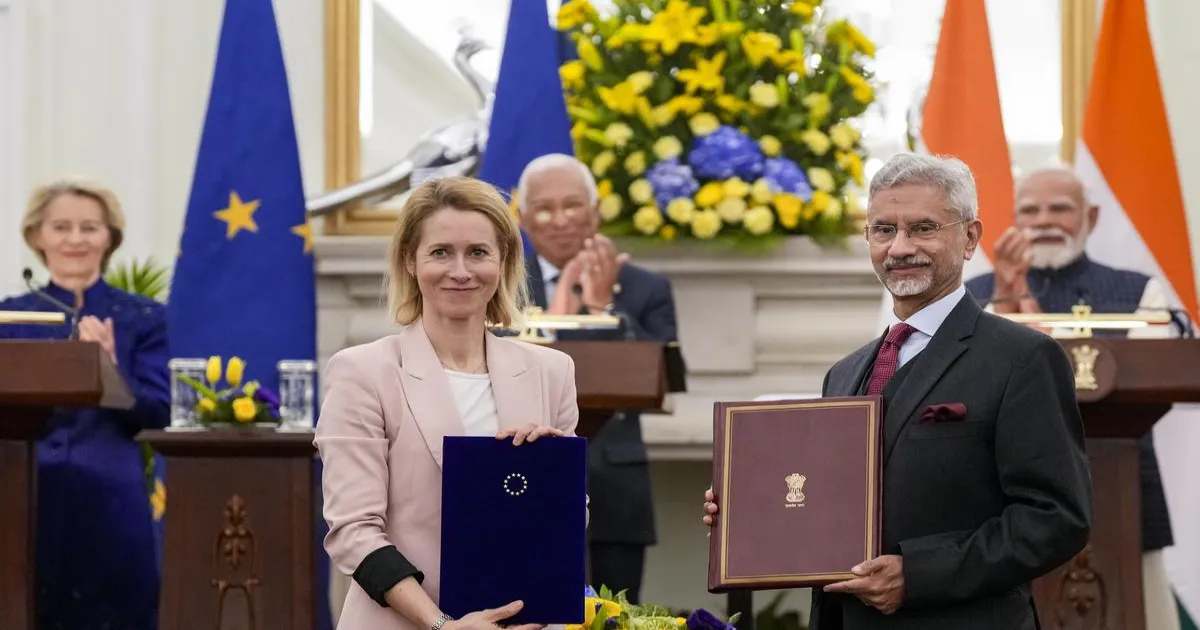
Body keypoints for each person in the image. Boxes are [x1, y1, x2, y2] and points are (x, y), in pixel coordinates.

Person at [702, 153, 1093, 629]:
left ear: (970, 238)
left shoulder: (1023, 358)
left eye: (923, 228)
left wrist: (918, 575)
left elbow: (1056, 519)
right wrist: (746, 508)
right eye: (884, 230)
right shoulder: (844, 373)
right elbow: (822, 499)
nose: (900, 247)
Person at [315, 176, 582, 630]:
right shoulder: (362, 372)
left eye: (478, 252)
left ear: (503, 260)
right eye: (441, 252)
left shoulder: (552, 372)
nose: (461, 270)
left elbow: (571, 522)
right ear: (411, 261)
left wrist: (553, 478)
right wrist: (442, 625)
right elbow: (354, 533)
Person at [962, 165, 1180, 630]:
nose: (1043, 221)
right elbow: (971, 385)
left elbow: (1145, 376)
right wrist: (1006, 296)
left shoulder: (1137, 290)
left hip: (1120, 488)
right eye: (1030, 211)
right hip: (1001, 503)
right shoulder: (971, 296)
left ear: (1090, 218)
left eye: (1059, 208)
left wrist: (1028, 303)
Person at [0, 179, 169, 629]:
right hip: (23, 497)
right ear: (37, 237)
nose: (75, 239)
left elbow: (159, 413)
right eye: (61, 227)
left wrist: (111, 369)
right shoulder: (11, 317)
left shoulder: (143, 318)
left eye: (89, 227)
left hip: (110, 501)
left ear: (109, 238)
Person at [516, 153, 680, 604]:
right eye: (544, 209)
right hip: (521, 475)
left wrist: (602, 309)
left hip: (614, 485)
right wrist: (556, 320)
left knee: (616, 612)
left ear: (596, 211)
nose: (560, 220)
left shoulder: (646, 288)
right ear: (523, 218)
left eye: (572, 205)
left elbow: (659, 374)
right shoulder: (499, 283)